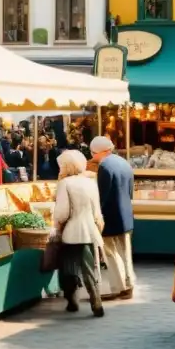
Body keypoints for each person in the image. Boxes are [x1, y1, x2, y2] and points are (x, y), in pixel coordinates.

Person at [53, 149, 106, 317]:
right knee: (89, 268)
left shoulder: (65, 184)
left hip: (72, 232)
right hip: (90, 230)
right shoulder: (91, 182)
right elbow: (97, 211)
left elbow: (62, 212)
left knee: (69, 268)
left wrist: (57, 225)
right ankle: (96, 300)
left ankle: (72, 301)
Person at [90, 136, 136, 300]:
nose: (93, 157)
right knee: (125, 252)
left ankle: (119, 287)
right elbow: (131, 190)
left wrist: (96, 215)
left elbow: (102, 195)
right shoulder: (124, 163)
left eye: (93, 153)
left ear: (100, 152)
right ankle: (129, 284)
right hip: (126, 214)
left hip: (110, 215)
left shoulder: (105, 167)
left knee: (111, 252)